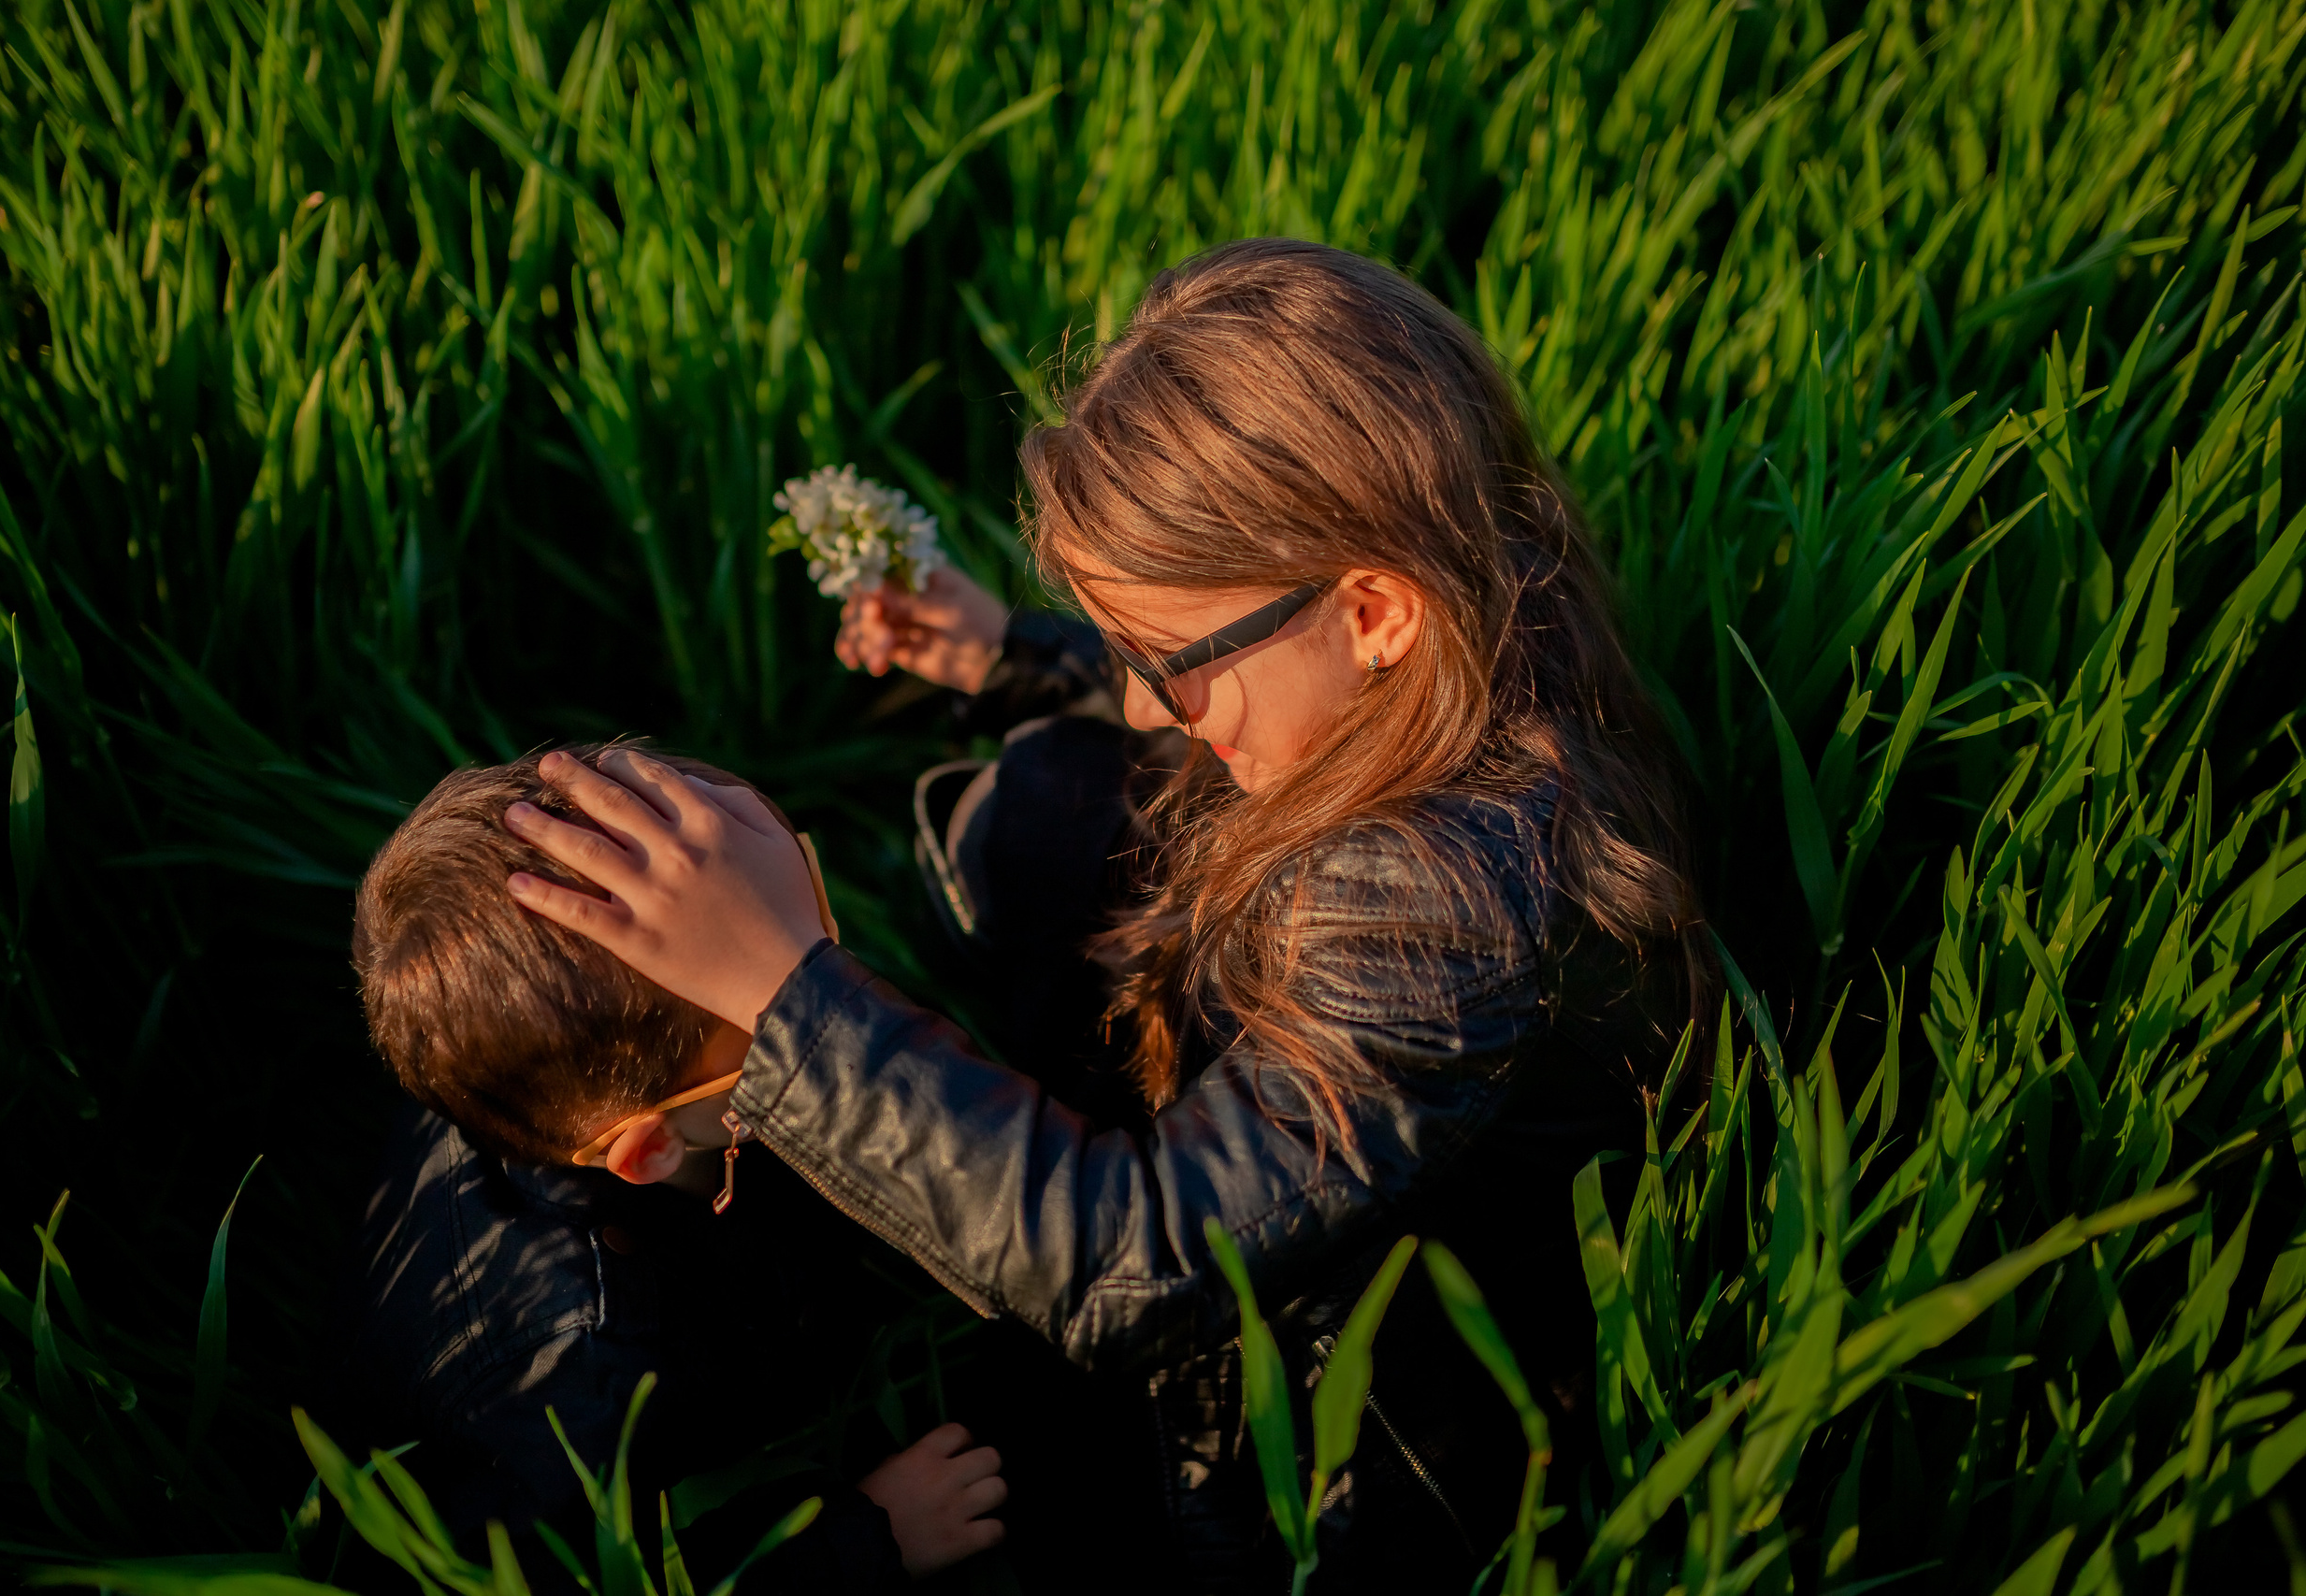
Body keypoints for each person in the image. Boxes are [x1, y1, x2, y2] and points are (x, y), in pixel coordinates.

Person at [500, 240, 1708, 1590]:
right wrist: (1008, 655)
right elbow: (1241, 658)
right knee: (1073, 781)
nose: (1143, 699)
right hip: (1300, 1220)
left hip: (1329, 1447)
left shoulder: (1447, 908)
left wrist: (787, 995)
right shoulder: (1470, 631)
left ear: (1372, 609)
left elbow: (1131, 1261)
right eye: (1115, 645)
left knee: (1073, 811)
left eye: (1164, 664)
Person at [321, 744, 1008, 1592]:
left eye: (803, 906)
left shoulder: (538, 1071)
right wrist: (863, 1536)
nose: (826, 985)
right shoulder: (569, 1378)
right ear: (647, 1149)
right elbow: (582, 1582)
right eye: (777, 1002)